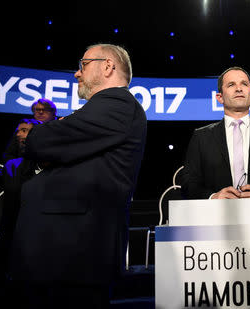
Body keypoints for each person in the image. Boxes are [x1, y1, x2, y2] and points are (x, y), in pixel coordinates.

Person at [8, 43, 147, 308]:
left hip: (73, 254)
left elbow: (39, 141)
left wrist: (44, 134)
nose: (76, 73)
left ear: (107, 66)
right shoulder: (106, 109)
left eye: (83, 64)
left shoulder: (117, 103)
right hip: (63, 253)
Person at [182, 66, 250, 199]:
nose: (239, 88)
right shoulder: (201, 136)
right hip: (216, 216)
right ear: (220, 97)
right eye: (231, 84)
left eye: (244, 84)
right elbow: (189, 184)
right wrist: (213, 197)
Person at [0, 118, 41, 305]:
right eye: (19, 131)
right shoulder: (12, 165)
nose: (20, 135)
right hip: (13, 232)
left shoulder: (52, 167)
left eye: (25, 131)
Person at [2, 98, 57, 163]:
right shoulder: (23, 127)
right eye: (37, 110)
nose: (41, 112)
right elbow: (9, 154)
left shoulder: (59, 129)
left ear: (53, 113)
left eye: (45, 110)